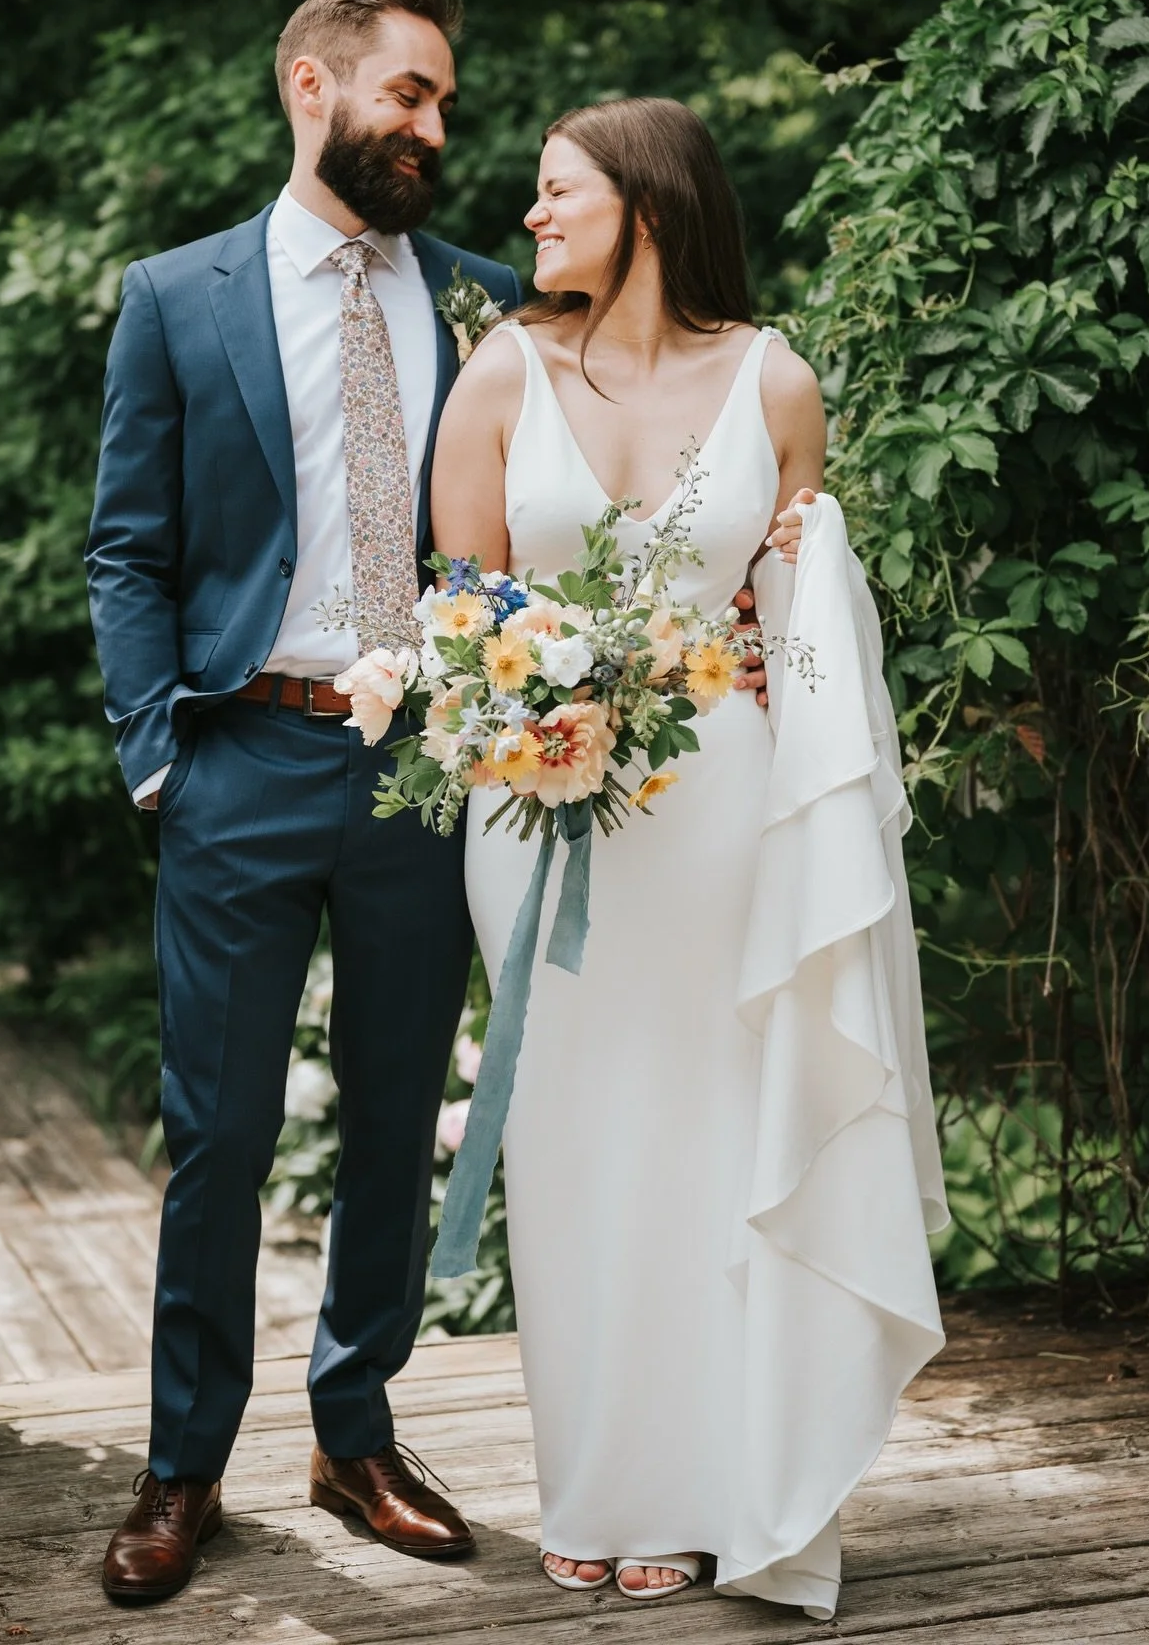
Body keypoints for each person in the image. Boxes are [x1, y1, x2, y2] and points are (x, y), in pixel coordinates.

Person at [430, 96, 947, 1617]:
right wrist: (540, 701)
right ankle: (595, 1487)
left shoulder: (775, 378)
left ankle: (725, 1487)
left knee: (715, 1140)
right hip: (541, 812)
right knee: (577, 1146)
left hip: (723, 804)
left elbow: (804, 621)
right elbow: (461, 611)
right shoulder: (498, 374)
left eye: (555, 193)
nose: (529, 218)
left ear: (646, 203)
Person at [84, 0, 527, 1602]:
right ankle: (182, 1465)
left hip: (422, 769)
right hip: (239, 756)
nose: (431, 130)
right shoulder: (176, 296)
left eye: (443, 108)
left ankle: (358, 1431)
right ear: (309, 85)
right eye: (408, 95)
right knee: (218, 1131)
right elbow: (125, 546)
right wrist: (156, 756)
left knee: (398, 1111)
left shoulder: (482, 299)